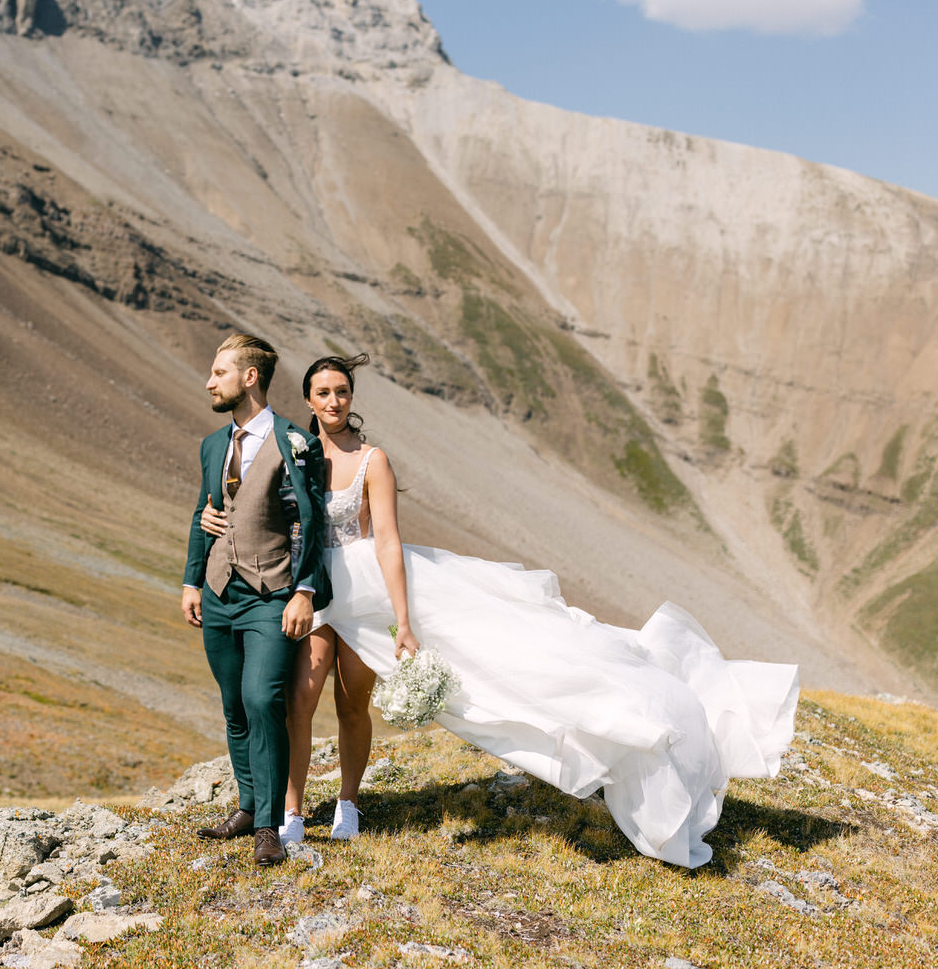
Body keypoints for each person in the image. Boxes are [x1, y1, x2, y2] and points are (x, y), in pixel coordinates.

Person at [202, 352, 799, 868]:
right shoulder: (296, 452)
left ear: (350, 399)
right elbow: (261, 510)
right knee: (298, 699)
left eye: (342, 392)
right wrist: (214, 523)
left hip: (366, 593)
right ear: (306, 399)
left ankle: (350, 805)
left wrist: (403, 623)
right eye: (323, 392)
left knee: (351, 701)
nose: (333, 400)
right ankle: (291, 814)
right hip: (311, 588)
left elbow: (386, 539)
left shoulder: (373, 459)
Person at [181, 333, 332, 866]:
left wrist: (304, 592)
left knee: (262, 699)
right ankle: (247, 805)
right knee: (233, 706)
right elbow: (206, 511)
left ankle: (269, 824)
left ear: (249, 377)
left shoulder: (297, 443)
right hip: (220, 593)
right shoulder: (211, 445)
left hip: (273, 594)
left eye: (219, 372)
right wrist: (192, 580)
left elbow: (312, 524)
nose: (209, 381)